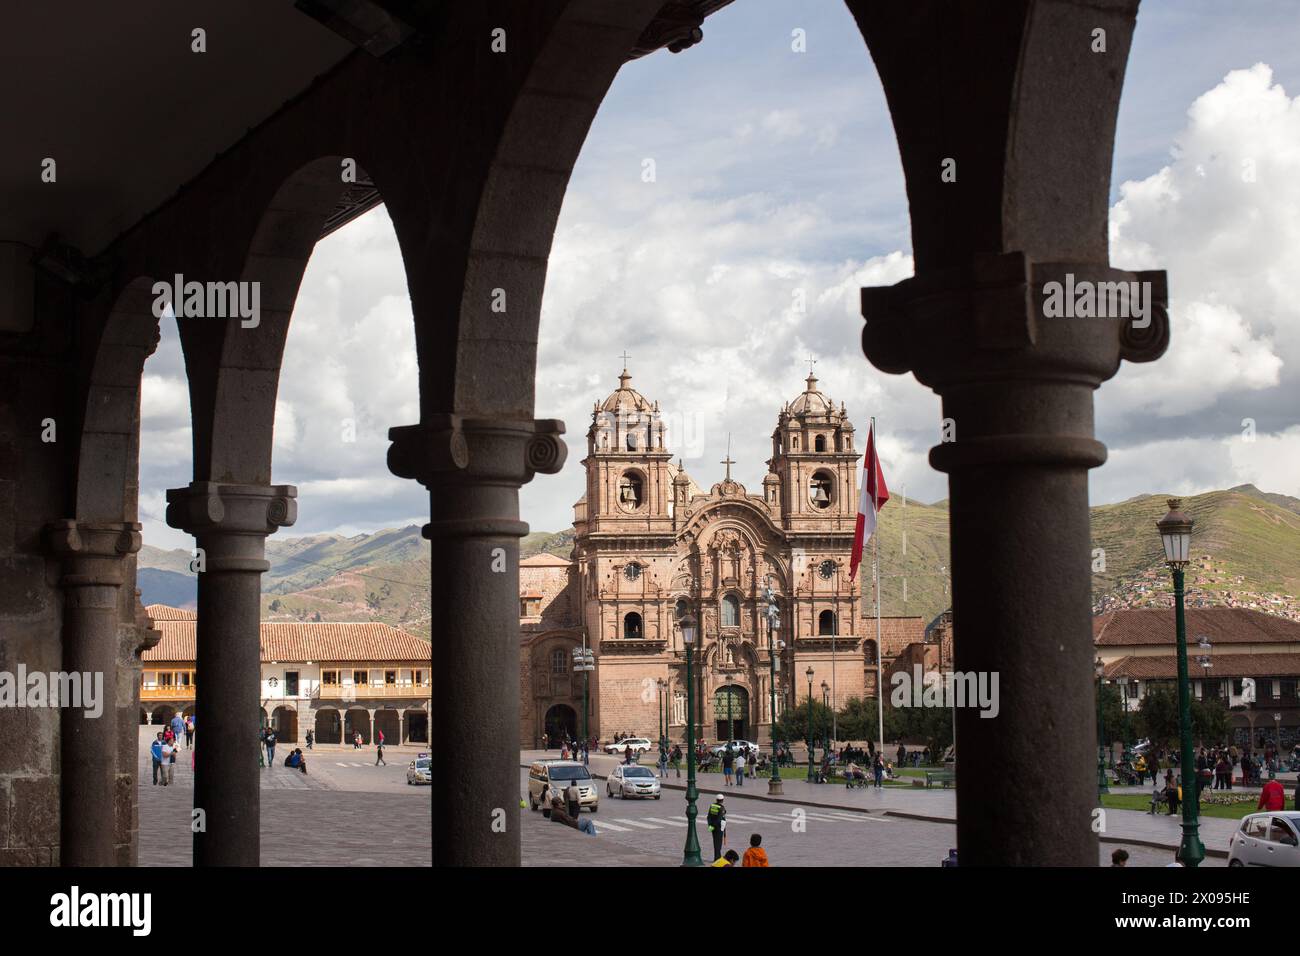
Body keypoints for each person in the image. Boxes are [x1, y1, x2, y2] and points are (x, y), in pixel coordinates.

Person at [706, 794, 726, 861]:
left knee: (715, 841)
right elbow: (719, 819)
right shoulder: (721, 808)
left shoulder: (712, 805)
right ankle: (717, 858)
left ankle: (718, 856)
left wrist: (710, 826)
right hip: (718, 828)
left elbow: (708, 816)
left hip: (712, 826)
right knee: (718, 843)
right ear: (722, 800)